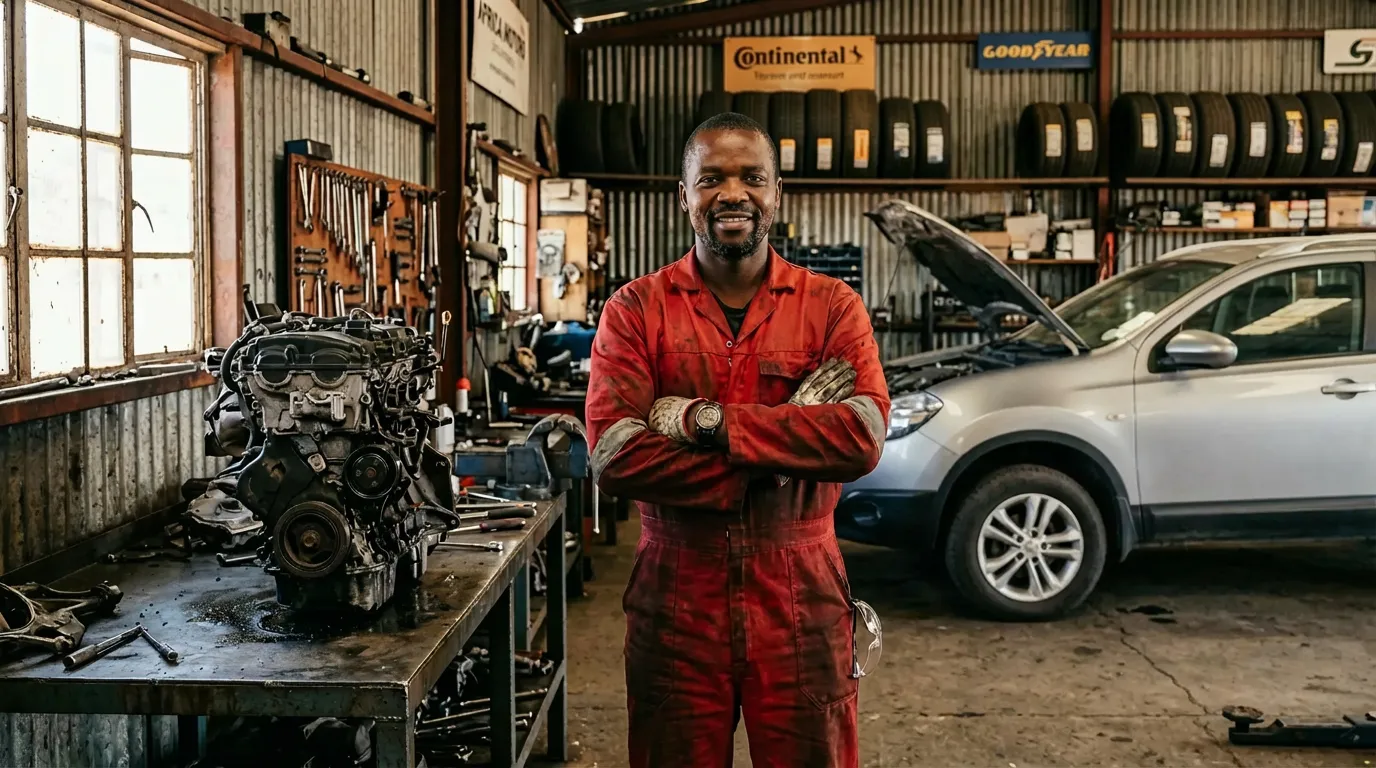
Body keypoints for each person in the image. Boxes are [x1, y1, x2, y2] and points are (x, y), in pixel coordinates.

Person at [586, 111, 890, 768]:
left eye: (751, 177)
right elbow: (616, 455)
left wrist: (705, 422)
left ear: (775, 193)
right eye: (712, 179)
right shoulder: (635, 310)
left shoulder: (833, 307)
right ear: (685, 195)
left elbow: (861, 438)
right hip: (676, 599)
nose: (732, 194)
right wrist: (782, 451)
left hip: (803, 600)